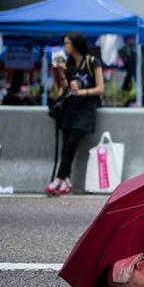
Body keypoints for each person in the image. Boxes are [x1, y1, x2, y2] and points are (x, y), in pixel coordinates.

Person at [44, 32, 104, 196]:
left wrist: (81, 92)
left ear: (76, 44)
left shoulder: (92, 62)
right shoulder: (69, 63)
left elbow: (100, 88)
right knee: (66, 147)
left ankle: (58, 179)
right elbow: (63, 89)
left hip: (86, 109)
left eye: (67, 44)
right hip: (69, 108)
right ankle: (66, 182)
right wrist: (61, 73)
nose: (65, 47)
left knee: (71, 144)